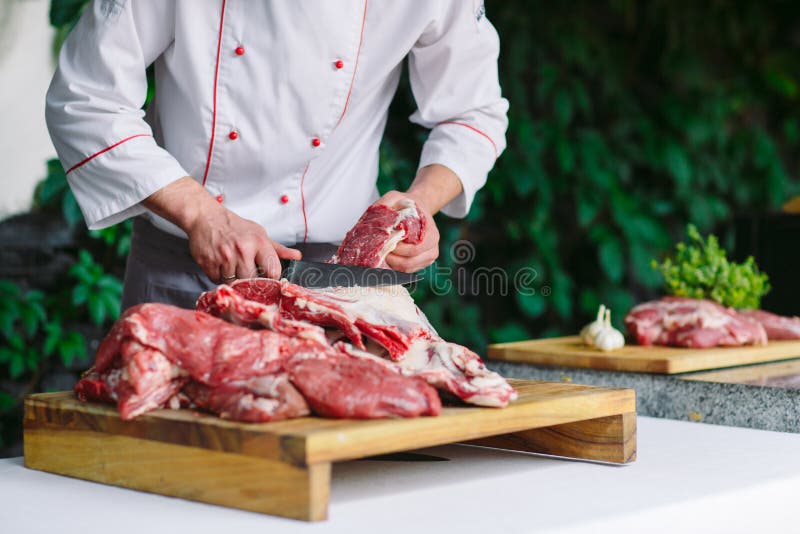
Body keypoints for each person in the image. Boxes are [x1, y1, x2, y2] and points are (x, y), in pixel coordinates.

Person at [46, 0, 508, 311]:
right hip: (181, 277)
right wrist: (205, 215)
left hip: (341, 284)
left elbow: (472, 112)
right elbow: (87, 99)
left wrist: (418, 206)